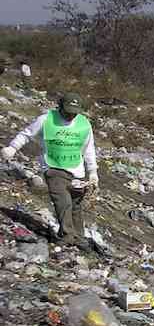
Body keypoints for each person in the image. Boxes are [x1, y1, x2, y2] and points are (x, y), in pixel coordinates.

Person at [2, 93, 98, 246]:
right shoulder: (46, 119)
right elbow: (27, 134)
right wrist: (12, 148)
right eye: (68, 111)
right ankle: (66, 235)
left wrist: (93, 172)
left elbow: (89, 149)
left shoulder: (84, 124)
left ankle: (79, 237)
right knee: (63, 201)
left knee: (75, 204)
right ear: (60, 107)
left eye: (74, 112)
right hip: (53, 167)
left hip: (76, 170)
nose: (70, 115)